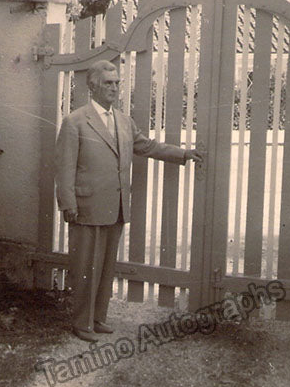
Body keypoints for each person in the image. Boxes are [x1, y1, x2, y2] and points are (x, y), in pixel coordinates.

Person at [55, 60, 203, 342]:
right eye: (108, 83)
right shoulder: (75, 121)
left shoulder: (123, 121)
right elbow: (64, 167)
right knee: (86, 268)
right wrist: (68, 204)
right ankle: (81, 323)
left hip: (117, 207)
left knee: (105, 267)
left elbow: (147, 146)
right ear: (93, 86)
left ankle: (97, 318)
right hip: (86, 207)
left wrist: (183, 154)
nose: (114, 88)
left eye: (116, 83)